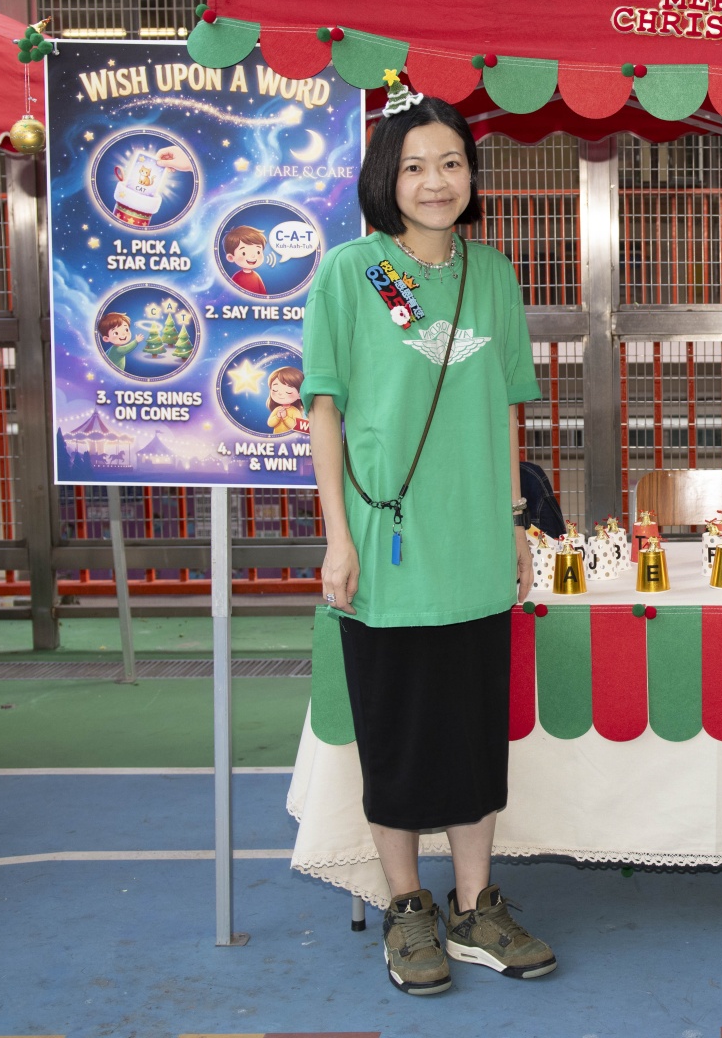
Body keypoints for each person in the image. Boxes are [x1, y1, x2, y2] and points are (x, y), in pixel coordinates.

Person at [302, 82, 554, 997]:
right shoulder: (350, 273)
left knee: (475, 736)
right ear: (387, 179)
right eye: (415, 167)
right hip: (385, 544)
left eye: (451, 162)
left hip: (478, 541)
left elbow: (509, 409)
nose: (436, 181)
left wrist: (516, 522)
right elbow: (322, 409)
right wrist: (338, 538)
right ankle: (407, 906)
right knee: (399, 735)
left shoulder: (495, 275)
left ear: (472, 176)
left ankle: (477, 906)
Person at [222, 224, 270, 295]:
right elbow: (230, 293)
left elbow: (263, 293)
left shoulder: (256, 276)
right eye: (244, 253)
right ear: (231, 257)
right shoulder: (237, 277)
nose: (253, 256)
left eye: (258, 252)